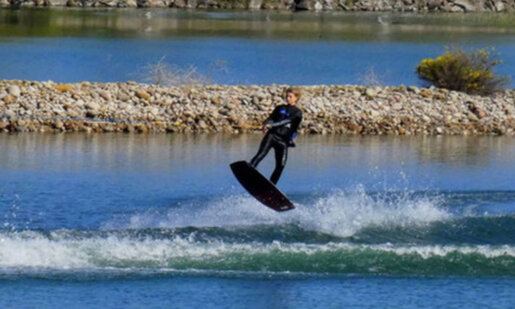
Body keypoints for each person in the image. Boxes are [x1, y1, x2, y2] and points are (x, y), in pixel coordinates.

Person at [250, 87, 303, 185]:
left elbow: (286, 121)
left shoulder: (297, 113)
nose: (288, 98)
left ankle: (271, 186)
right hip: (272, 136)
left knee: (281, 165)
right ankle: (249, 171)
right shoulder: (279, 108)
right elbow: (270, 119)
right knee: (260, 155)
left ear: (296, 98)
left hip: (283, 141)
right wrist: (266, 124)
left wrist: (272, 125)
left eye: (290, 96)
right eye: (287, 96)